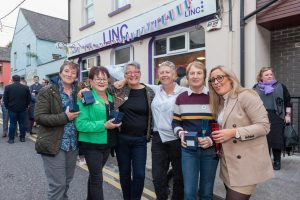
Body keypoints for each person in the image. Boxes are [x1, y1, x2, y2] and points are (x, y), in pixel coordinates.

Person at [208, 66, 274, 200]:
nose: (216, 82)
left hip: (245, 164)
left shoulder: (246, 95)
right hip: (228, 164)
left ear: (231, 78)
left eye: (220, 77)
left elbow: (264, 126)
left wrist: (234, 132)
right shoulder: (221, 101)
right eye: (212, 80)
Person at [172, 61, 219, 200]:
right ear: (187, 76)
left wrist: (211, 139)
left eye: (199, 73)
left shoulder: (214, 97)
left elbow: (221, 123)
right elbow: (175, 122)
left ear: (204, 75)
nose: (195, 76)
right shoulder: (181, 98)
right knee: (189, 192)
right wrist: (181, 133)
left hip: (209, 150)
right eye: (192, 73)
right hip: (188, 150)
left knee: (206, 192)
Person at [34, 61, 80, 200]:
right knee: (57, 185)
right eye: (66, 71)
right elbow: (40, 117)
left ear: (76, 76)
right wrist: (64, 117)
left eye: (73, 72)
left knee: (66, 182)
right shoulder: (47, 91)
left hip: (72, 144)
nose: (69, 74)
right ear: (60, 73)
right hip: (53, 143)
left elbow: (103, 85)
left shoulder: (78, 91)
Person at [75, 66, 121, 200]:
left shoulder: (111, 96)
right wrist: (104, 125)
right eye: (98, 79)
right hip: (91, 144)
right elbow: (80, 124)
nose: (101, 81)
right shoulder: (86, 96)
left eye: (104, 79)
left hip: (107, 143)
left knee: (95, 176)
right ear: (90, 81)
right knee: (97, 178)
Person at [113, 61, 154, 200]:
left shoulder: (149, 92)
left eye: (136, 72)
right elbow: (102, 87)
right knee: (124, 173)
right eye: (128, 73)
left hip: (140, 140)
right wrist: (124, 80)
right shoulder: (120, 90)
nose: (133, 75)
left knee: (139, 175)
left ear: (140, 74)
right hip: (122, 139)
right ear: (124, 76)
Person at [253, 67, 292, 170]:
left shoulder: (280, 86)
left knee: (276, 139)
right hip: (260, 116)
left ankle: (277, 161)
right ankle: (265, 162)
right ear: (261, 77)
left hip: (277, 116)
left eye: (271, 74)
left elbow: (288, 102)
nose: (269, 76)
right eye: (266, 75)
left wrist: (287, 115)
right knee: (263, 140)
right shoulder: (255, 88)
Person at [3, 75, 31, 143]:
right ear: (19, 79)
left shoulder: (8, 87)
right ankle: (22, 138)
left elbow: (5, 99)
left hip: (12, 108)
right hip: (22, 108)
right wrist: (26, 106)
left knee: (12, 124)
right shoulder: (26, 87)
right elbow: (28, 99)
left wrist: (7, 106)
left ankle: (11, 139)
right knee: (22, 123)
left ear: (13, 80)